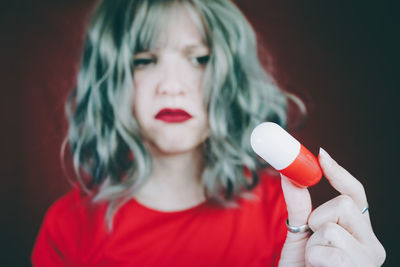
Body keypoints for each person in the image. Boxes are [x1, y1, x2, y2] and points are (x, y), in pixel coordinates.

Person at [31, 0, 385, 266]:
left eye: (199, 58)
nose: (171, 87)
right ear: (112, 81)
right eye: (144, 60)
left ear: (230, 78)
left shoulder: (288, 216)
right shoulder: (67, 226)